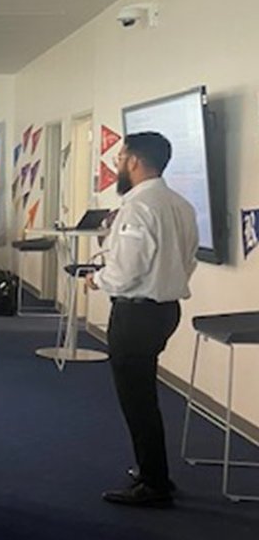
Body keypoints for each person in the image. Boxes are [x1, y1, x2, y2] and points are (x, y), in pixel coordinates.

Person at [86, 132, 198, 508]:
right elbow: (188, 260)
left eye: (119, 159)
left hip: (136, 313)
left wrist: (97, 278)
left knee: (138, 400)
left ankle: (154, 483)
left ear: (134, 161)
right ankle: (153, 469)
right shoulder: (181, 205)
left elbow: (127, 271)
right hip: (166, 310)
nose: (117, 166)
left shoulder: (137, 208)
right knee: (144, 395)